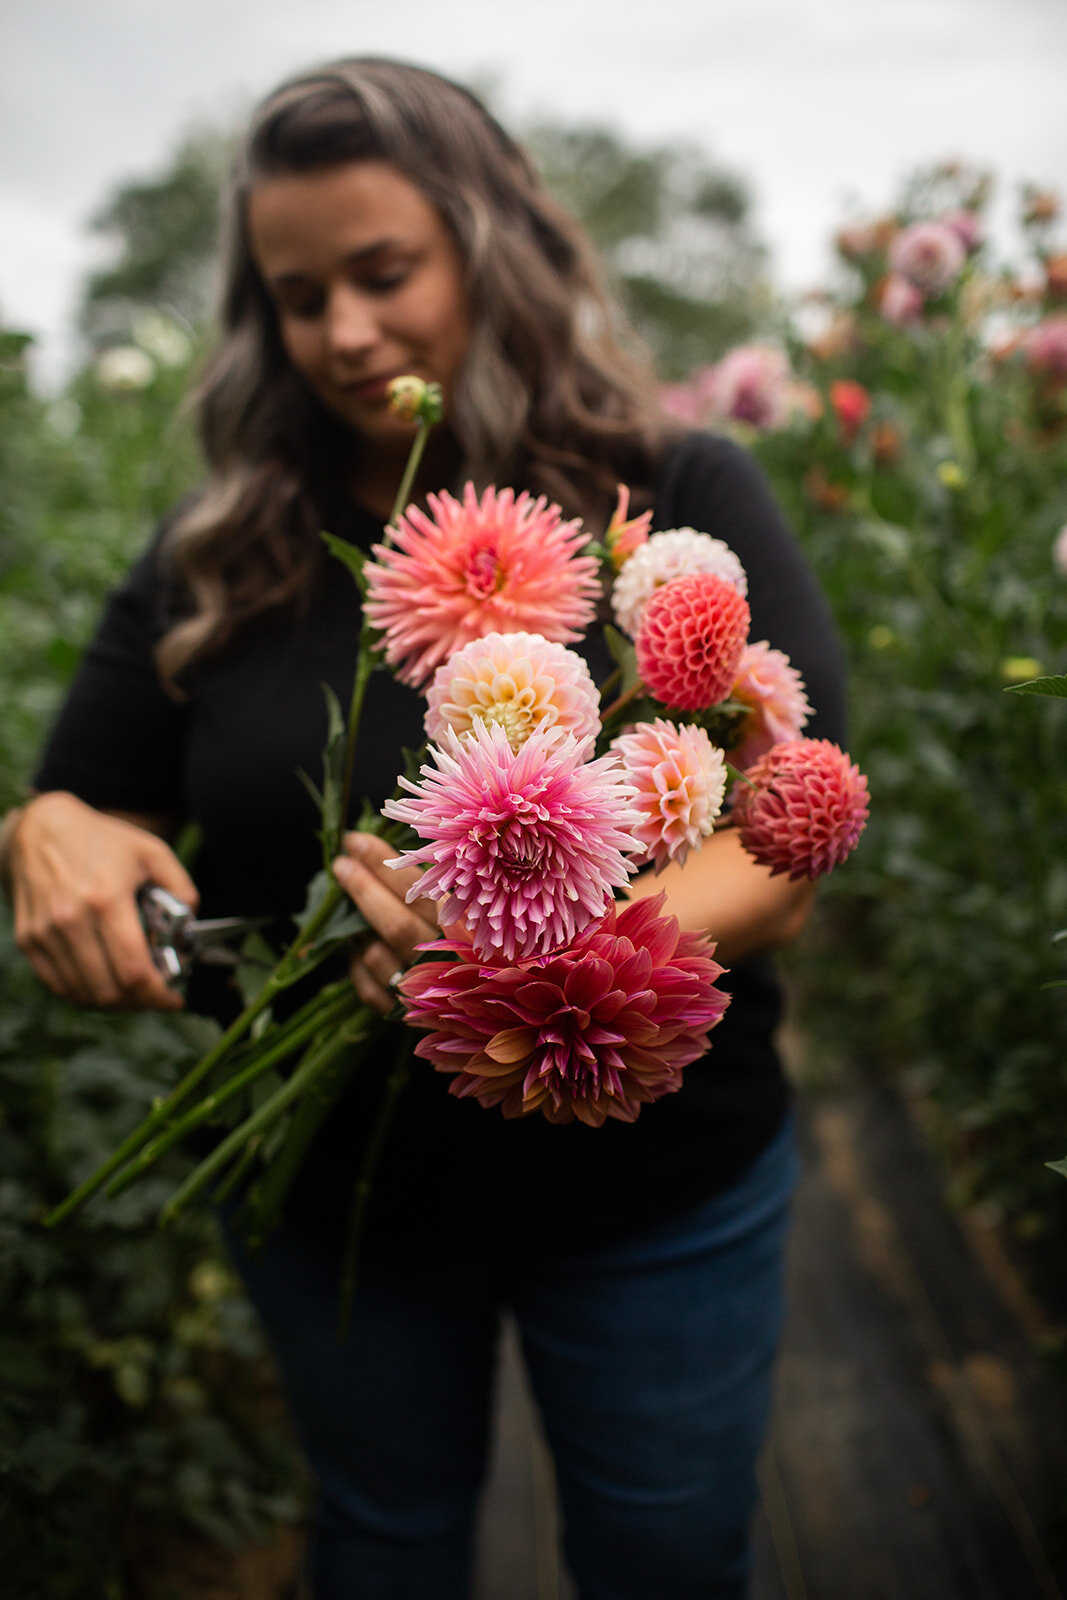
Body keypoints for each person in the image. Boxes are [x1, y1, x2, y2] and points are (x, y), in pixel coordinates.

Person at [1, 58, 846, 1600]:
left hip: (655, 1184)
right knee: (382, 1544)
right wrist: (46, 828)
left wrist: (562, 971)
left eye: (383, 274)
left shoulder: (670, 497)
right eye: (295, 294)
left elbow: (785, 831)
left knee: (666, 1556)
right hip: (339, 1197)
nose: (342, 333)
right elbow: (94, 794)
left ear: (489, 242)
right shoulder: (222, 547)